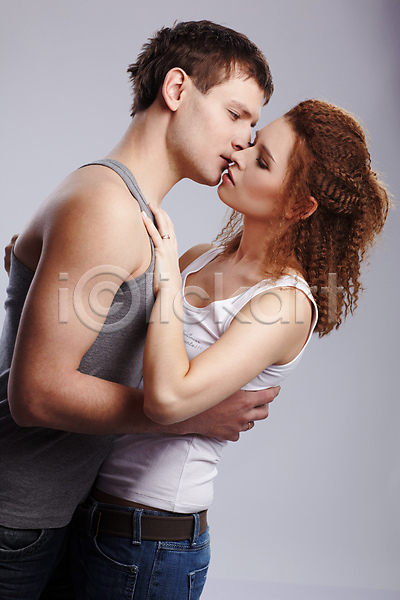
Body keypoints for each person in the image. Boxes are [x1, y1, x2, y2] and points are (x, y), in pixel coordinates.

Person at [0, 21, 279, 600]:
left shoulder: (130, 209)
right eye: (235, 114)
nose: (243, 141)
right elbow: (35, 394)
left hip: (55, 512)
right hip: (16, 515)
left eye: (252, 128)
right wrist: (188, 418)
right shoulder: (107, 207)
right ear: (176, 90)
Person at [71, 99, 389, 599]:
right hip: (87, 512)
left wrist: (168, 281)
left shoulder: (284, 304)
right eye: (252, 143)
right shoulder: (201, 258)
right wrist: (53, 259)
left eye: (262, 160)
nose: (238, 153)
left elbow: (167, 399)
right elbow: (108, 334)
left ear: (299, 206)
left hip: (150, 544)